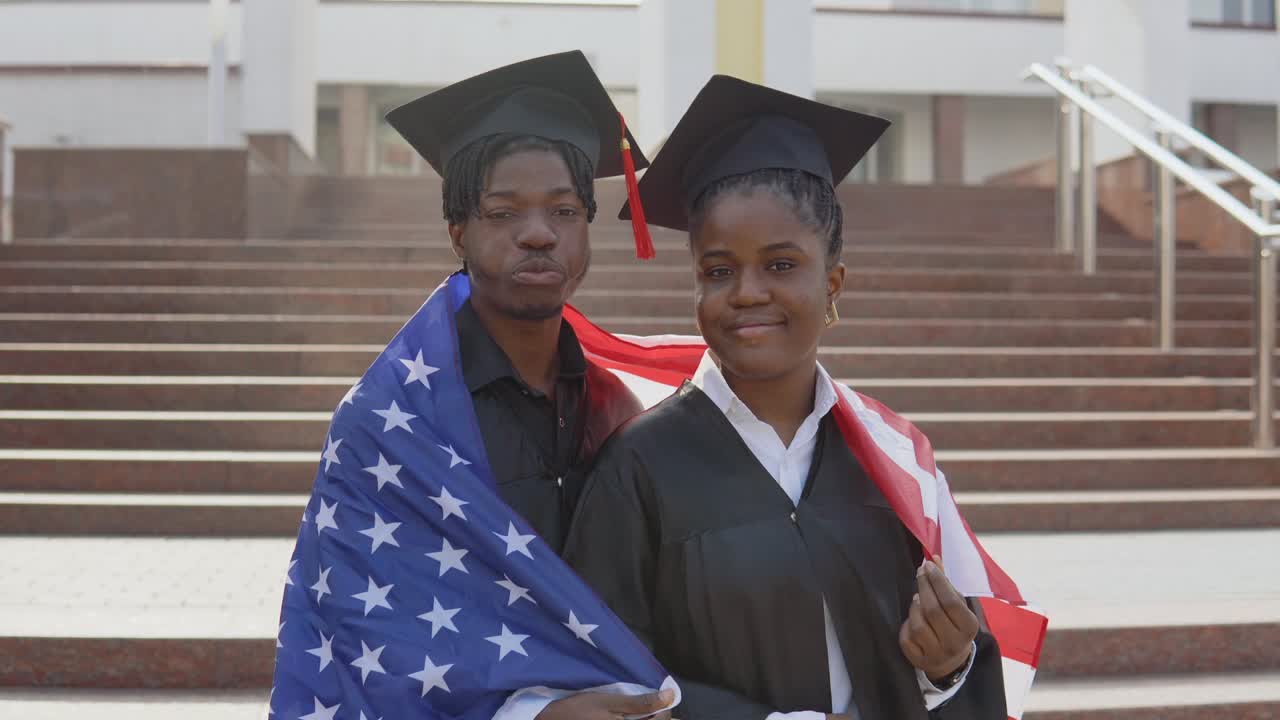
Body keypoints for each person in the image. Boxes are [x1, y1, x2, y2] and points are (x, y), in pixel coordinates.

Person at [563, 76, 1007, 720]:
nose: (747, 292)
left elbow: (962, 659)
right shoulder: (638, 466)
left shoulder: (889, 459)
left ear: (833, 284)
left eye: (780, 265)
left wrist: (947, 667)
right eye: (719, 271)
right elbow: (610, 676)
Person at [386, 51, 672, 720]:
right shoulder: (400, 417)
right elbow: (366, 628)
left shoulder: (616, 406)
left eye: (565, 211)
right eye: (502, 212)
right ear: (458, 232)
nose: (539, 234)